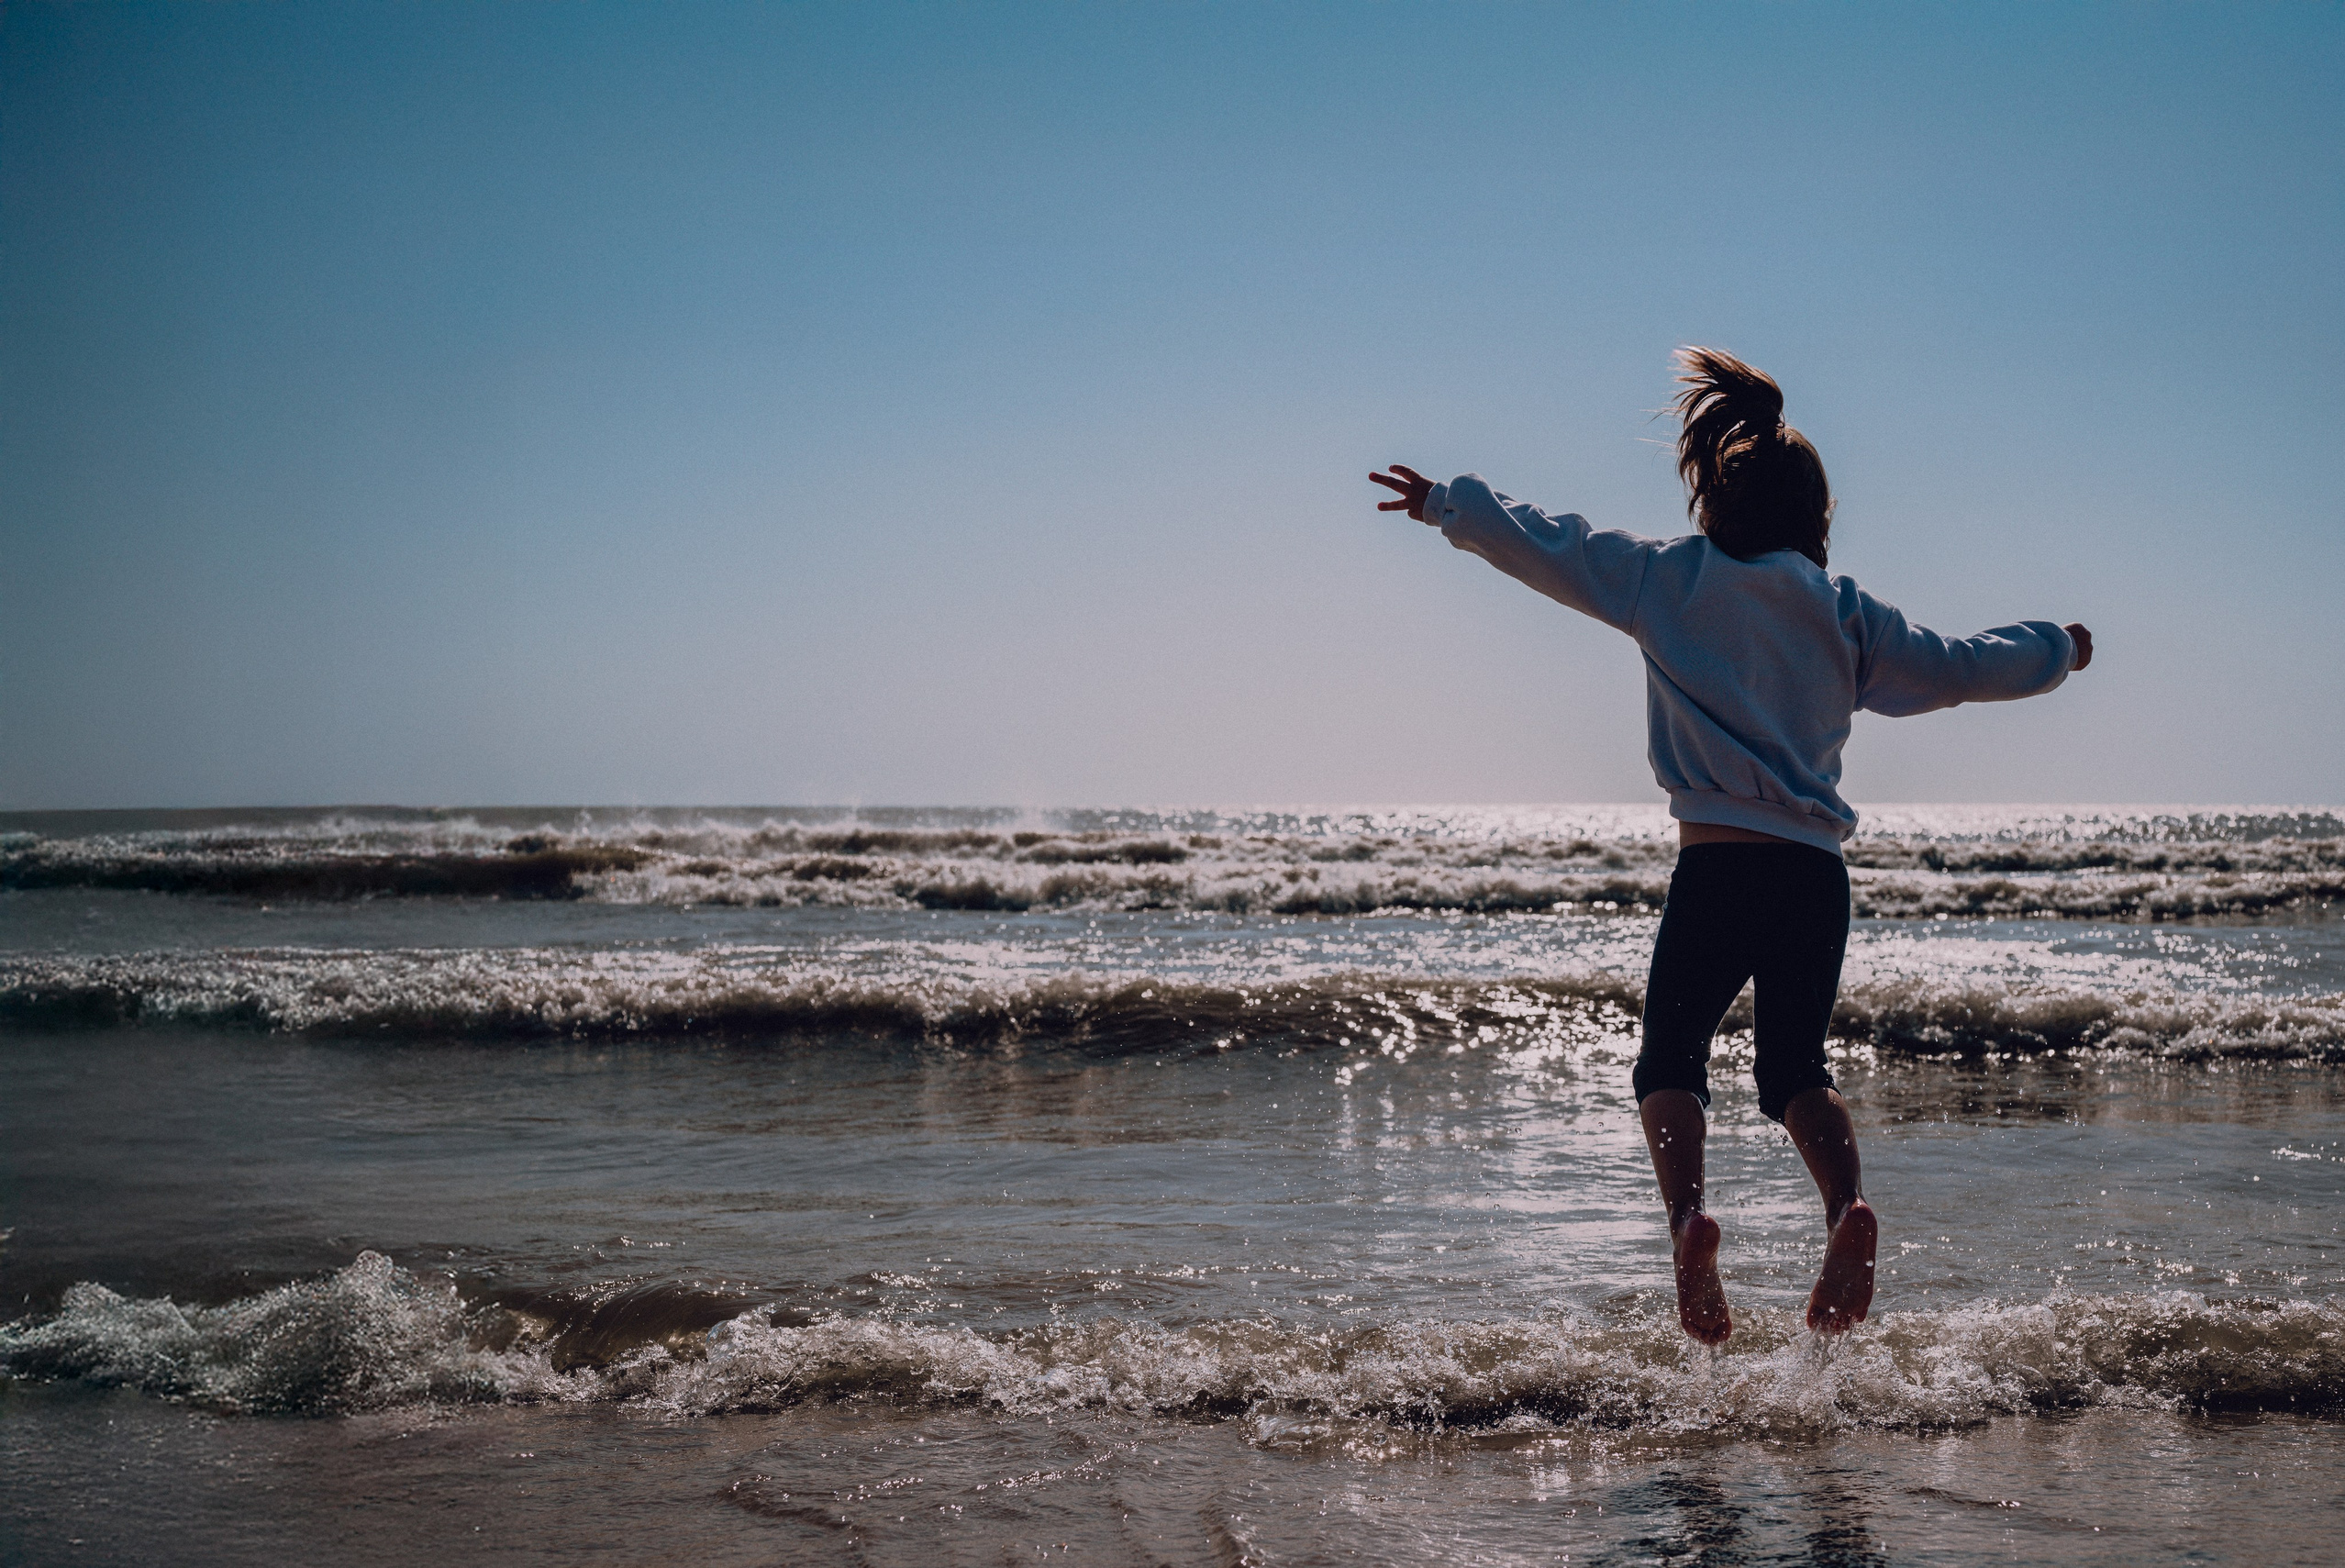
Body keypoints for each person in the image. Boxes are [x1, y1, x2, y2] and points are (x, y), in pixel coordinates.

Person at [1371, 348, 2092, 1343]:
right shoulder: (1847, 615)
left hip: (1714, 867)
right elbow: (1964, 666)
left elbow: (1550, 545)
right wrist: (2058, 647)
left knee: (1670, 1056)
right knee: (1794, 1064)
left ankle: (1687, 1223)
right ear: (1817, 517)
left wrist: (1448, 502)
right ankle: (1845, 1208)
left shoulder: (1669, 578)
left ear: (1712, 498)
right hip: (1811, 874)